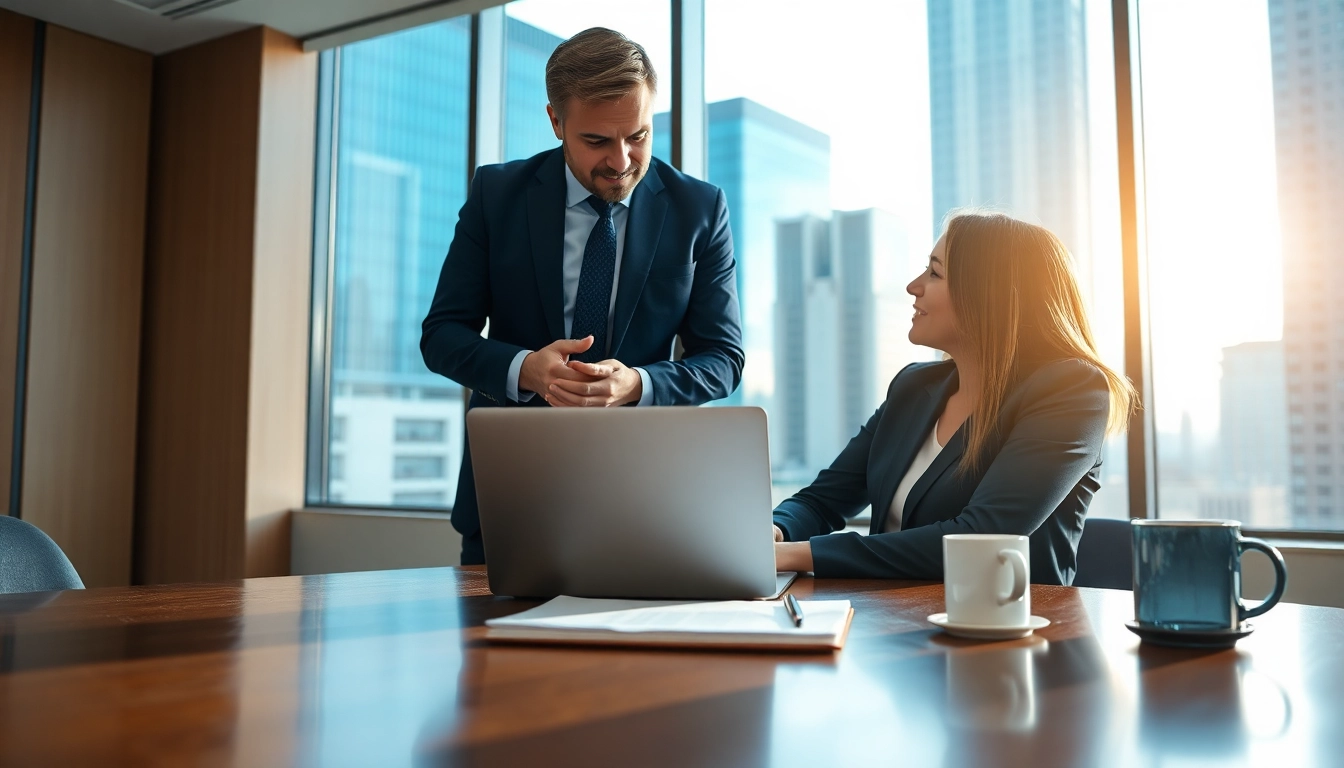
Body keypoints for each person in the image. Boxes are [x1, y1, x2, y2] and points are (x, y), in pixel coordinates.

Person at [421, 27, 744, 565]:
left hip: (648, 501)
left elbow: (724, 359)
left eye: (638, 136)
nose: (621, 161)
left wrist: (638, 383)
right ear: (556, 121)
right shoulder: (496, 196)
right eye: (597, 141)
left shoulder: (699, 209)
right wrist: (526, 370)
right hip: (511, 493)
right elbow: (442, 336)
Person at [772, 211, 1135, 584]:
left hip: (1004, 619)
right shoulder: (912, 387)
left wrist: (796, 555)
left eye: (934, 273)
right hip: (885, 614)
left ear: (988, 294)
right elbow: (821, 500)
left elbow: (981, 537)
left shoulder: (1071, 391)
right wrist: (776, 532)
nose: (913, 286)